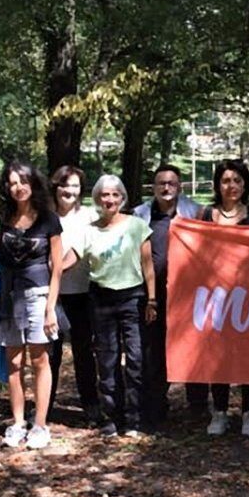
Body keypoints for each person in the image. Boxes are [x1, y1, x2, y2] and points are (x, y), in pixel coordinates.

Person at [0, 160, 63, 449]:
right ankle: (18, 422)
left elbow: (56, 267)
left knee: (40, 360)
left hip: (39, 295)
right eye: (11, 183)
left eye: (22, 181)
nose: (17, 187)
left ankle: (40, 425)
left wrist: (50, 309)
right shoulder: (5, 217)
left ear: (33, 183)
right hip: (9, 297)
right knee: (13, 362)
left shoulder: (48, 219)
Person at [199, 159, 249, 437]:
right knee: (218, 356)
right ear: (218, 184)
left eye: (238, 181)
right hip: (215, 298)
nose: (232, 186)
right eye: (226, 180)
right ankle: (219, 411)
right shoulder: (206, 215)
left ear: (245, 184)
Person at [87, 174, 157, 438]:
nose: (110, 199)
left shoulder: (137, 225)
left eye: (115, 194)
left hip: (133, 298)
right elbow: (68, 258)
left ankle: (135, 418)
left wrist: (152, 299)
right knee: (107, 360)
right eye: (105, 195)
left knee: (136, 359)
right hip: (101, 299)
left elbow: (148, 266)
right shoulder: (90, 229)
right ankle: (111, 417)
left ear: (122, 198)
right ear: (97, 198)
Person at [133, 165, 202, 426]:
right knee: (154, 348)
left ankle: (197, 406)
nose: (166, 188)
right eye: (161, 183)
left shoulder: (196, 212)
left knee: (193, 347)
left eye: (171, 183)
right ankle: (156, 405)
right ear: (153, 187)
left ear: (180, 186)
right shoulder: (140, 215)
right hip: (152, 294)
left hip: (188, 295)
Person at [49, 165, 101, 424]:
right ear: (55, 187)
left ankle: (91, 404)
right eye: (64, 185)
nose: (69, 191)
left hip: (83, 293)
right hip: (52, 296)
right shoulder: (45, 216)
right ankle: (44, 407)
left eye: (75, 186)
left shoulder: (91, 216)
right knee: (51, 354)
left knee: (84, 353)